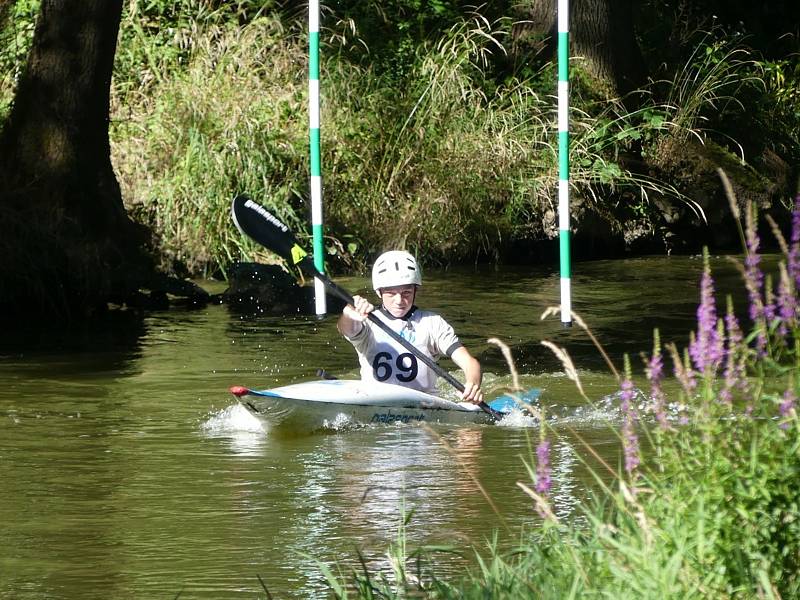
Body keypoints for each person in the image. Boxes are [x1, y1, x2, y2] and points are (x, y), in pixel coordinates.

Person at [337, 250, 484, 404]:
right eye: (391, 293)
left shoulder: (432, 323)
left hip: (424, 404)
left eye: (406, 292)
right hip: (374, 400)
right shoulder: (367, 320)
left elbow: (469, 362)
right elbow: (347, 329)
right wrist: (348, 314)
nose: (399, 300)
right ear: (379, 293)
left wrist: (472, 384)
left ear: (415, 290)